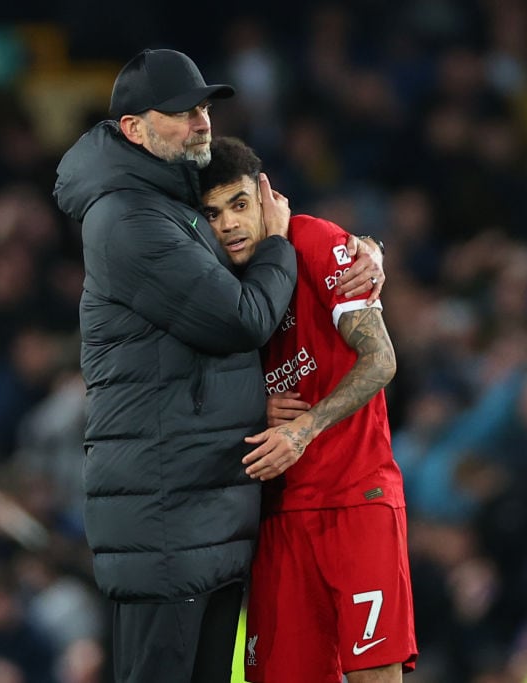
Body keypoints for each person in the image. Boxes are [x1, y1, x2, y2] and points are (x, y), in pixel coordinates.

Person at [53, 49, 380, 683]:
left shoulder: (172, 204)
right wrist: (280, 242)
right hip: (166, 524)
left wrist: (362, 252)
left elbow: (194, 356)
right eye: (181, 112)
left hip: (202, 513)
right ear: (133, 129)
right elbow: (241, 319)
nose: (201, 121)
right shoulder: (127, 217)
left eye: (203, 107)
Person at [199, 136, 417, 682]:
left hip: (356, 498)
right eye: (213, 213)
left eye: (239, 204)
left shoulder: (315, 241)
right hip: (276, 517)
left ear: (265, 195)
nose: (229, 224)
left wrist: (303, 428)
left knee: (374, 675)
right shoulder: (210, 283)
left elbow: (381, 359)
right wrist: (253, 407)